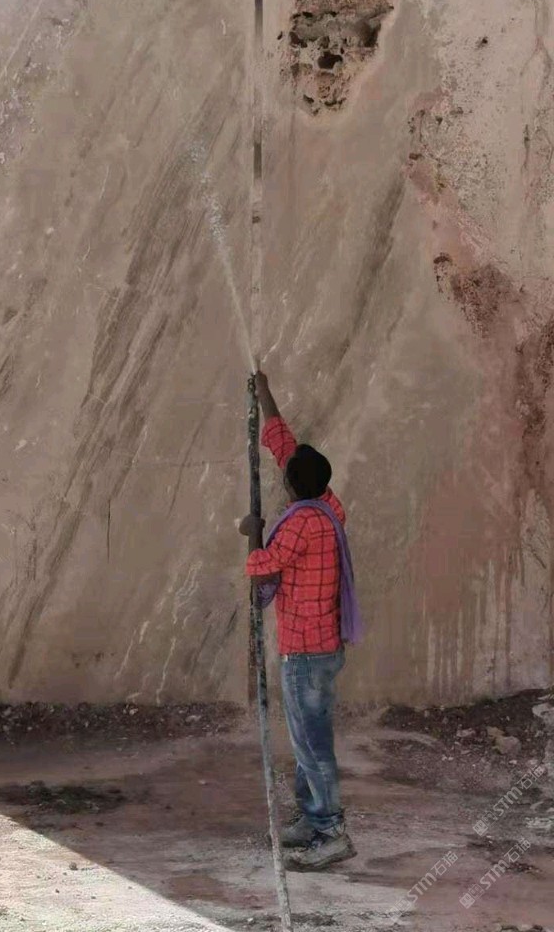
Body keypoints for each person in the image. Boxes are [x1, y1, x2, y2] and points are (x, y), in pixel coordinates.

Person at [238, 368, 357, 871]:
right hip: (325, 647)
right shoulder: (327, 506)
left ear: (291, 487)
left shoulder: (301, 524)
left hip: (304, 652)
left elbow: (261, 566)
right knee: (312, 736)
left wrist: (251, 530)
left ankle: (331, 832)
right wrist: (266, 396)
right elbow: (285, 449)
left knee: (311, 744)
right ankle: (312, 818)